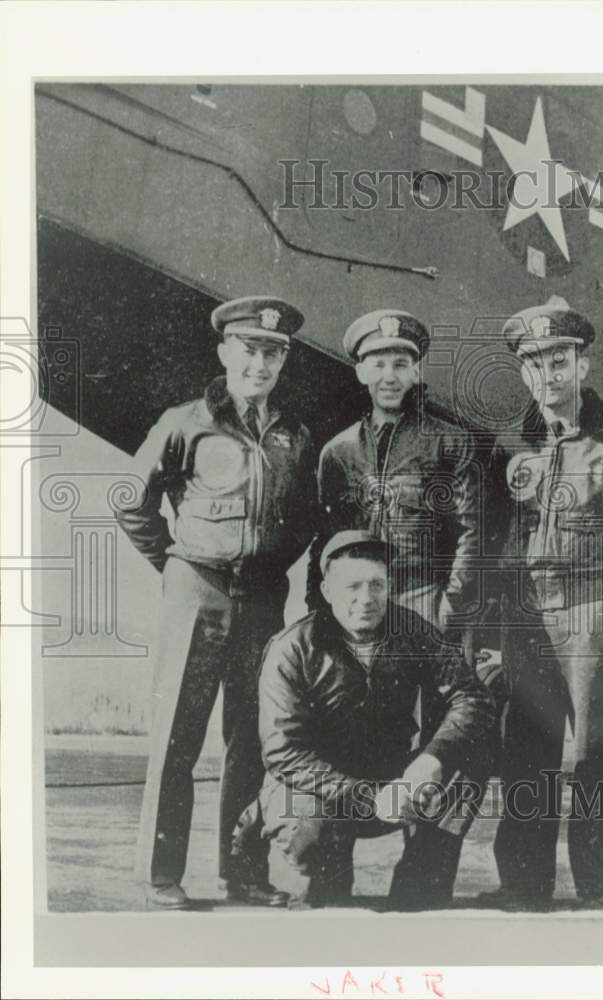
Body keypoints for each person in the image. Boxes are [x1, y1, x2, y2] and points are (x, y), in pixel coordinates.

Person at [116, 295, 317, 909]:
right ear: (226, 350)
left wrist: (269, 567)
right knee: (178, 733)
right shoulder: (186, 421)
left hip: (261, 600)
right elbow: (130, 499)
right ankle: (160, 875)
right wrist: (177, 563)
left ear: (283, 362)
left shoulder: (294, 435)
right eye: (250, 349)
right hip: (197, 594)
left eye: (273, 353)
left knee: (253, 740)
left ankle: (243, 873)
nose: (260, 364)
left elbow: (304, 519)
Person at [485, 295, 603, 909]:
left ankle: (598, 890)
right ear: (523, 372)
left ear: (582, 366)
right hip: (527, 611)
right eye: (535, 363)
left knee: (596, 752)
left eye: (560, 361)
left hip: (591, 607)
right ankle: (523, 887)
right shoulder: (509, 446)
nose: (549, 375)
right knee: (527, 748)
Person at [234, 530, 495, 909]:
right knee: (324, 887)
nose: (367, 599)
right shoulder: (292, 648)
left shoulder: (413, 632)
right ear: (326, 591)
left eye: (377, 585)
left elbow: (472, 697)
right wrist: (369, 797)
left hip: (392, 783)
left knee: (470, 758)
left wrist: (430, 760)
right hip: (318, 791)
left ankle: (418, 890)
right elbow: (284, 753)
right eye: (352, 587)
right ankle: (314, 878)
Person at [307, 309, 481, 648]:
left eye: (401, 365)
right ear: (360, 372)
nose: (390, 377)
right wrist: (318, 607)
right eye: (378, 364)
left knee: (427, 701)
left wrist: (451, 606)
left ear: (416, 372)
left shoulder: (450, 443)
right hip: (359, 605)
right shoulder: (338, 452)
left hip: (422, 599)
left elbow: (473, 531)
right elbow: (324, 541)